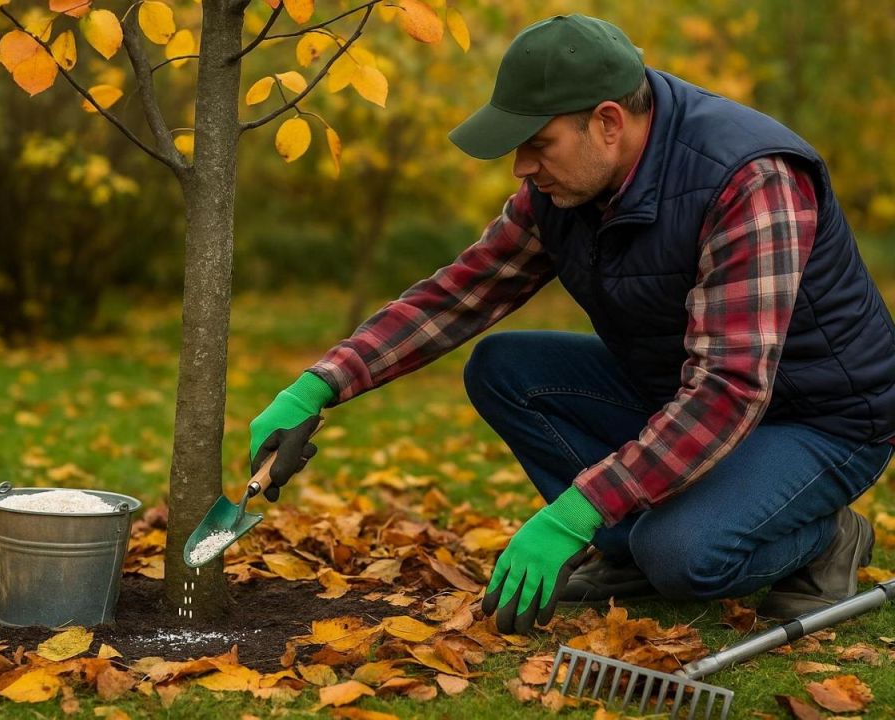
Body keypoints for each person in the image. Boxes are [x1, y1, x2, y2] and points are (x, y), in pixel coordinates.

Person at [248, 14, 895, 635]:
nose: (521, 169)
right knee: (506, 371)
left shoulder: (748, 180)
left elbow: (729, 387)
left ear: (607, 123)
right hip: (683, 391)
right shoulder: (567, 189)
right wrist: (319, 385)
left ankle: (824, 535)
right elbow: (461, 294)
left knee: (684, 555)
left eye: (537, 146)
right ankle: (626, 551)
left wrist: (575, 511)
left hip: (820, 418)